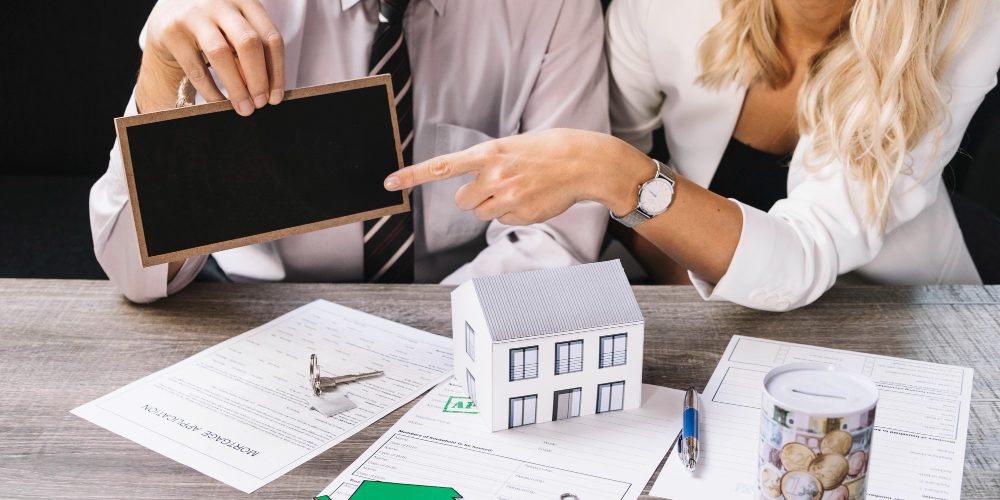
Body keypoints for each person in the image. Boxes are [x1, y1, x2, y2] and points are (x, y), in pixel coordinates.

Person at [385, 0, 1000, 311]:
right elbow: (619, 150)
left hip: (894, 309)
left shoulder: (961, 23)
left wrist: (616, 176)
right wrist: (691, 284)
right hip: (692, 298)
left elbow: (807, 255)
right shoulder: (665, 9)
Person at [90, 0, 610, 303]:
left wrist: (423, 333)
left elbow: (557, 239)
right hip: (257, 311)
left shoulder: (554, 8)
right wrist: (162, 70)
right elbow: (135, 275)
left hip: (461, 312)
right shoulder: (225, 6)